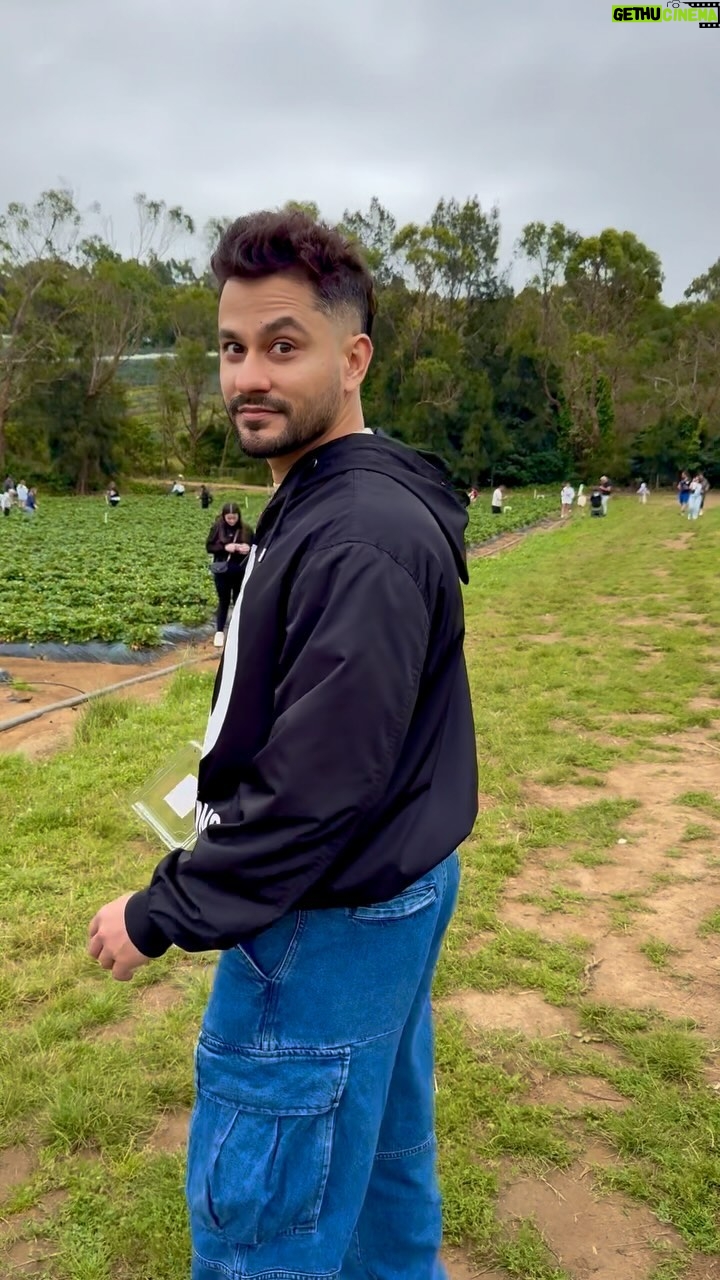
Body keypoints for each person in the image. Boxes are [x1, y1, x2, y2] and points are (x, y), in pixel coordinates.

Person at [88, 209, 478, 1280]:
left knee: (267, 1230)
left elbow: (314, 792)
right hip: (392, 882)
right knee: (383, 1177)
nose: (247, 374)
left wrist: (160, 910)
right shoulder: (341, 492)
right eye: (231, 346)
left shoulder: (358, 536)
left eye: (282, 345)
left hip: (325, 920)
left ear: (352, 358)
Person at [206, 501, 254, 648]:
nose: (232, 521)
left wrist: (248, 548)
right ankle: (219, 632)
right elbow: (209, 547)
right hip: (222, 571)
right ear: (224, 517)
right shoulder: (217, 528)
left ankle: (237, 632)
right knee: (224, 601)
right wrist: (225, 547)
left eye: (234, 518)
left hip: (240, 571)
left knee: (239, 601)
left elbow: (256, 546)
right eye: (229, 518)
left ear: (239, 516)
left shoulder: (246, 529)